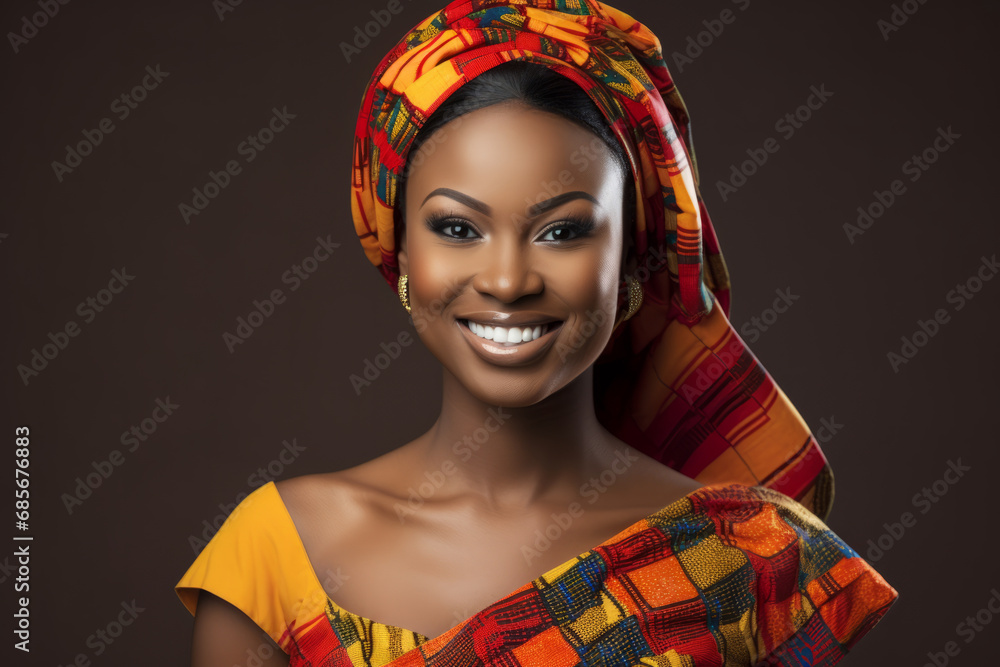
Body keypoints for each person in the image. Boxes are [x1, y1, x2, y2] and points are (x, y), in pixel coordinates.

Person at [175, 1, 898, 665]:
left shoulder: (750, 560)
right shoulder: (278, 555)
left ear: (630, 264)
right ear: (401, 257)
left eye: (563, 231)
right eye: (457, 228)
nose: (508, 279)